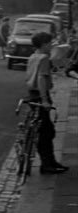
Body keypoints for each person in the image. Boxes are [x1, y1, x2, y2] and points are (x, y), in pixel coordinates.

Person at [26, 31, 69, 174]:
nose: (52, 45)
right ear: (44, 44)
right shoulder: (44, 58)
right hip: (40, 95)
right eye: (50, 43)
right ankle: (46, 164)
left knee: (44, 129)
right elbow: (41, 79)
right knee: (46, 131)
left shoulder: (33, 56)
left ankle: (50, 161)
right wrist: (44, 100)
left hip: (32, 94)